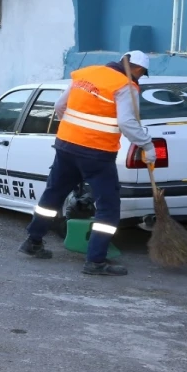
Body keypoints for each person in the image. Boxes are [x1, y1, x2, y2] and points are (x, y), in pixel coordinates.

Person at [19, 51, 155, 276]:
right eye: (141, 73)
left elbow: (59, 106)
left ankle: (33, 241)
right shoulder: (126, 86)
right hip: (97, 153)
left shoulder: (87, 73)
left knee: (53, 195)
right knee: (108, 207)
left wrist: (75, 130)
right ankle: (96, 261)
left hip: (66, 146)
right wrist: (147, 146)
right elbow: (127, 122)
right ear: (138, 70)